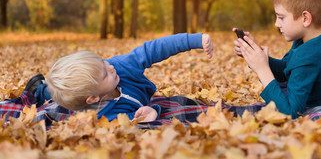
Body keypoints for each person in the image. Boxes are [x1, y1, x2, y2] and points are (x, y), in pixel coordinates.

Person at [233, 0, 321, 119]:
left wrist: (262, 69)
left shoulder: (309, 56)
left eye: (281, 17)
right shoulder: (317, 33)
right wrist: (257, 56)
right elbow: (287, 70)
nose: (277, 24)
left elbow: (290, 113)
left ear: (306, 18)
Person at [34, 33, 214, 122]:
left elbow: (154, 48)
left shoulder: (121, 66)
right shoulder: (103, 117)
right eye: (105, 73)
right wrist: (151, 112)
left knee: (53, 91)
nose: (110, 67)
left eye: (102, 61)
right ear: (94, 98)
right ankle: (42, 89)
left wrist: (196, 40)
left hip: (89, 93)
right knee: (56, 96)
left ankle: (41, 87)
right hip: (81, 99)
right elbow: (133, 120)